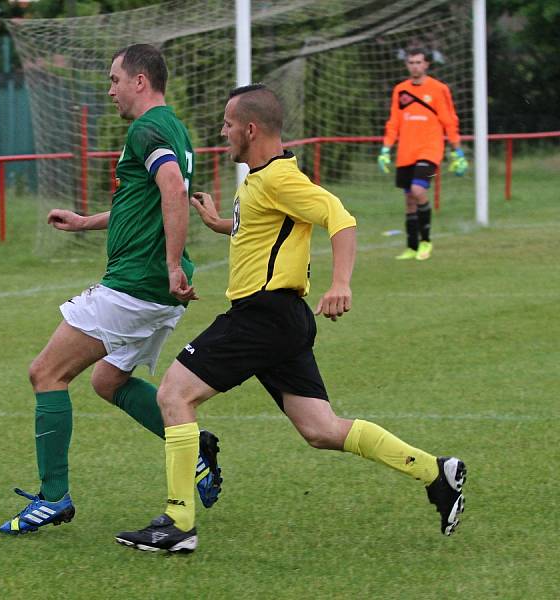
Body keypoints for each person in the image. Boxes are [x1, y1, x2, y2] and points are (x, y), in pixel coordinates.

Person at [115, 84, 467, 553]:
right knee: (321, 429)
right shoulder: (261, 178)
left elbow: (340, 217)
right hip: (282, 320)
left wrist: (340, 282)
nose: (222, 132)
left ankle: (177, 523)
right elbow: (265, 230)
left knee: (174, 395)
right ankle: (434, 471)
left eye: (226, 123)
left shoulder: (280, 179)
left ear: (250, 128)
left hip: (263, 316)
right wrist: (221, 223)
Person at [0, 44, 222, 535]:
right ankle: (193, 446)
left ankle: (53, 497)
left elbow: (173, 191)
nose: (110, 89)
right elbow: (142, 206)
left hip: (137, 284)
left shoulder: (148, 128)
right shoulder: (173, 127)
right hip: (154, 286)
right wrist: (84, 223)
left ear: (140, 81)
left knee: (45, 373)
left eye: (115, 78)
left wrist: (168, 266)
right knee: (108, 382)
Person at [377, 47, 468, 261]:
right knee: (409, 199)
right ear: (407, 65)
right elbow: (394, 122)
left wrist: (458, 150)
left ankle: (426, 241)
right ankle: (412, 246)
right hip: (406, 152)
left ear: (426, 64)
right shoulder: (400, 90)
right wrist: (385, 149)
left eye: (419, 62)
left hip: (430, 150)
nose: (415, 66)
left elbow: (449, 121)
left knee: (418, 190)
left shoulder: (439, 89)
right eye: (411, 62)